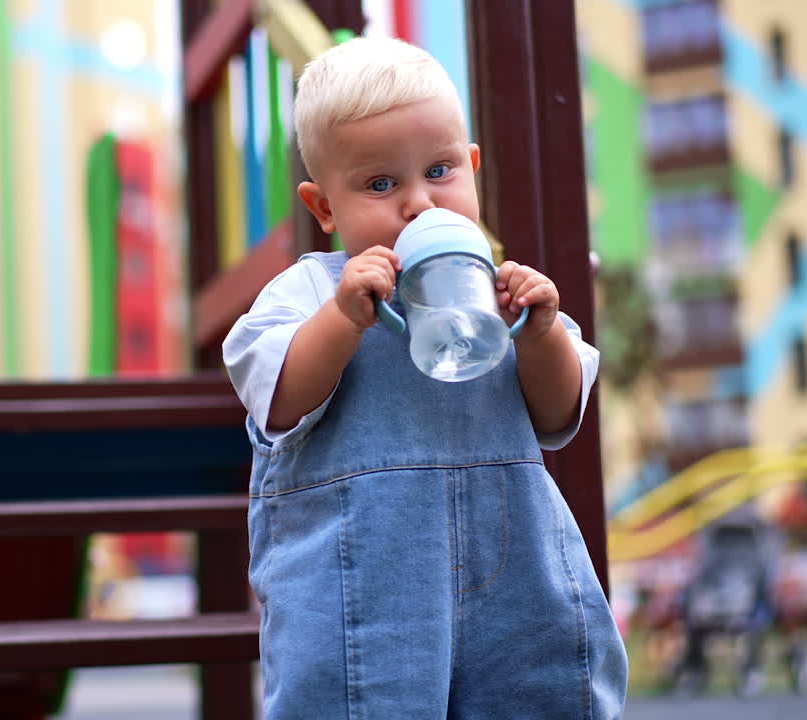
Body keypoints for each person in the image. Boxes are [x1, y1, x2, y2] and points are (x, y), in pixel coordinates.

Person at [223, 37, 628, 718]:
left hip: (515, 586)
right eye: (380, 184)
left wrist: (540, 331)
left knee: (541, 693)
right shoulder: (308, 294)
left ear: (472, 170)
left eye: (439, 171)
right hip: (365, 597)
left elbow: (558, 416)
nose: (417, 203)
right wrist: (344, 319)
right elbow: (279, 400)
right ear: (324, 209)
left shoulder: (497, 292)